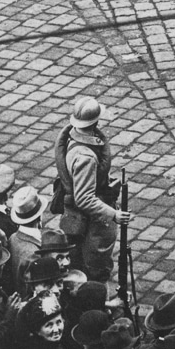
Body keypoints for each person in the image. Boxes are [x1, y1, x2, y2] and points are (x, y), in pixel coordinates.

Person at [52, 96, 131, 284]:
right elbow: (84, 198)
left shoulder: (72, 135)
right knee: (95, 263)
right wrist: (113, 214)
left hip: (80, 215)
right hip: (90, 220)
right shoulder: (85, 158)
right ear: (96, 120)